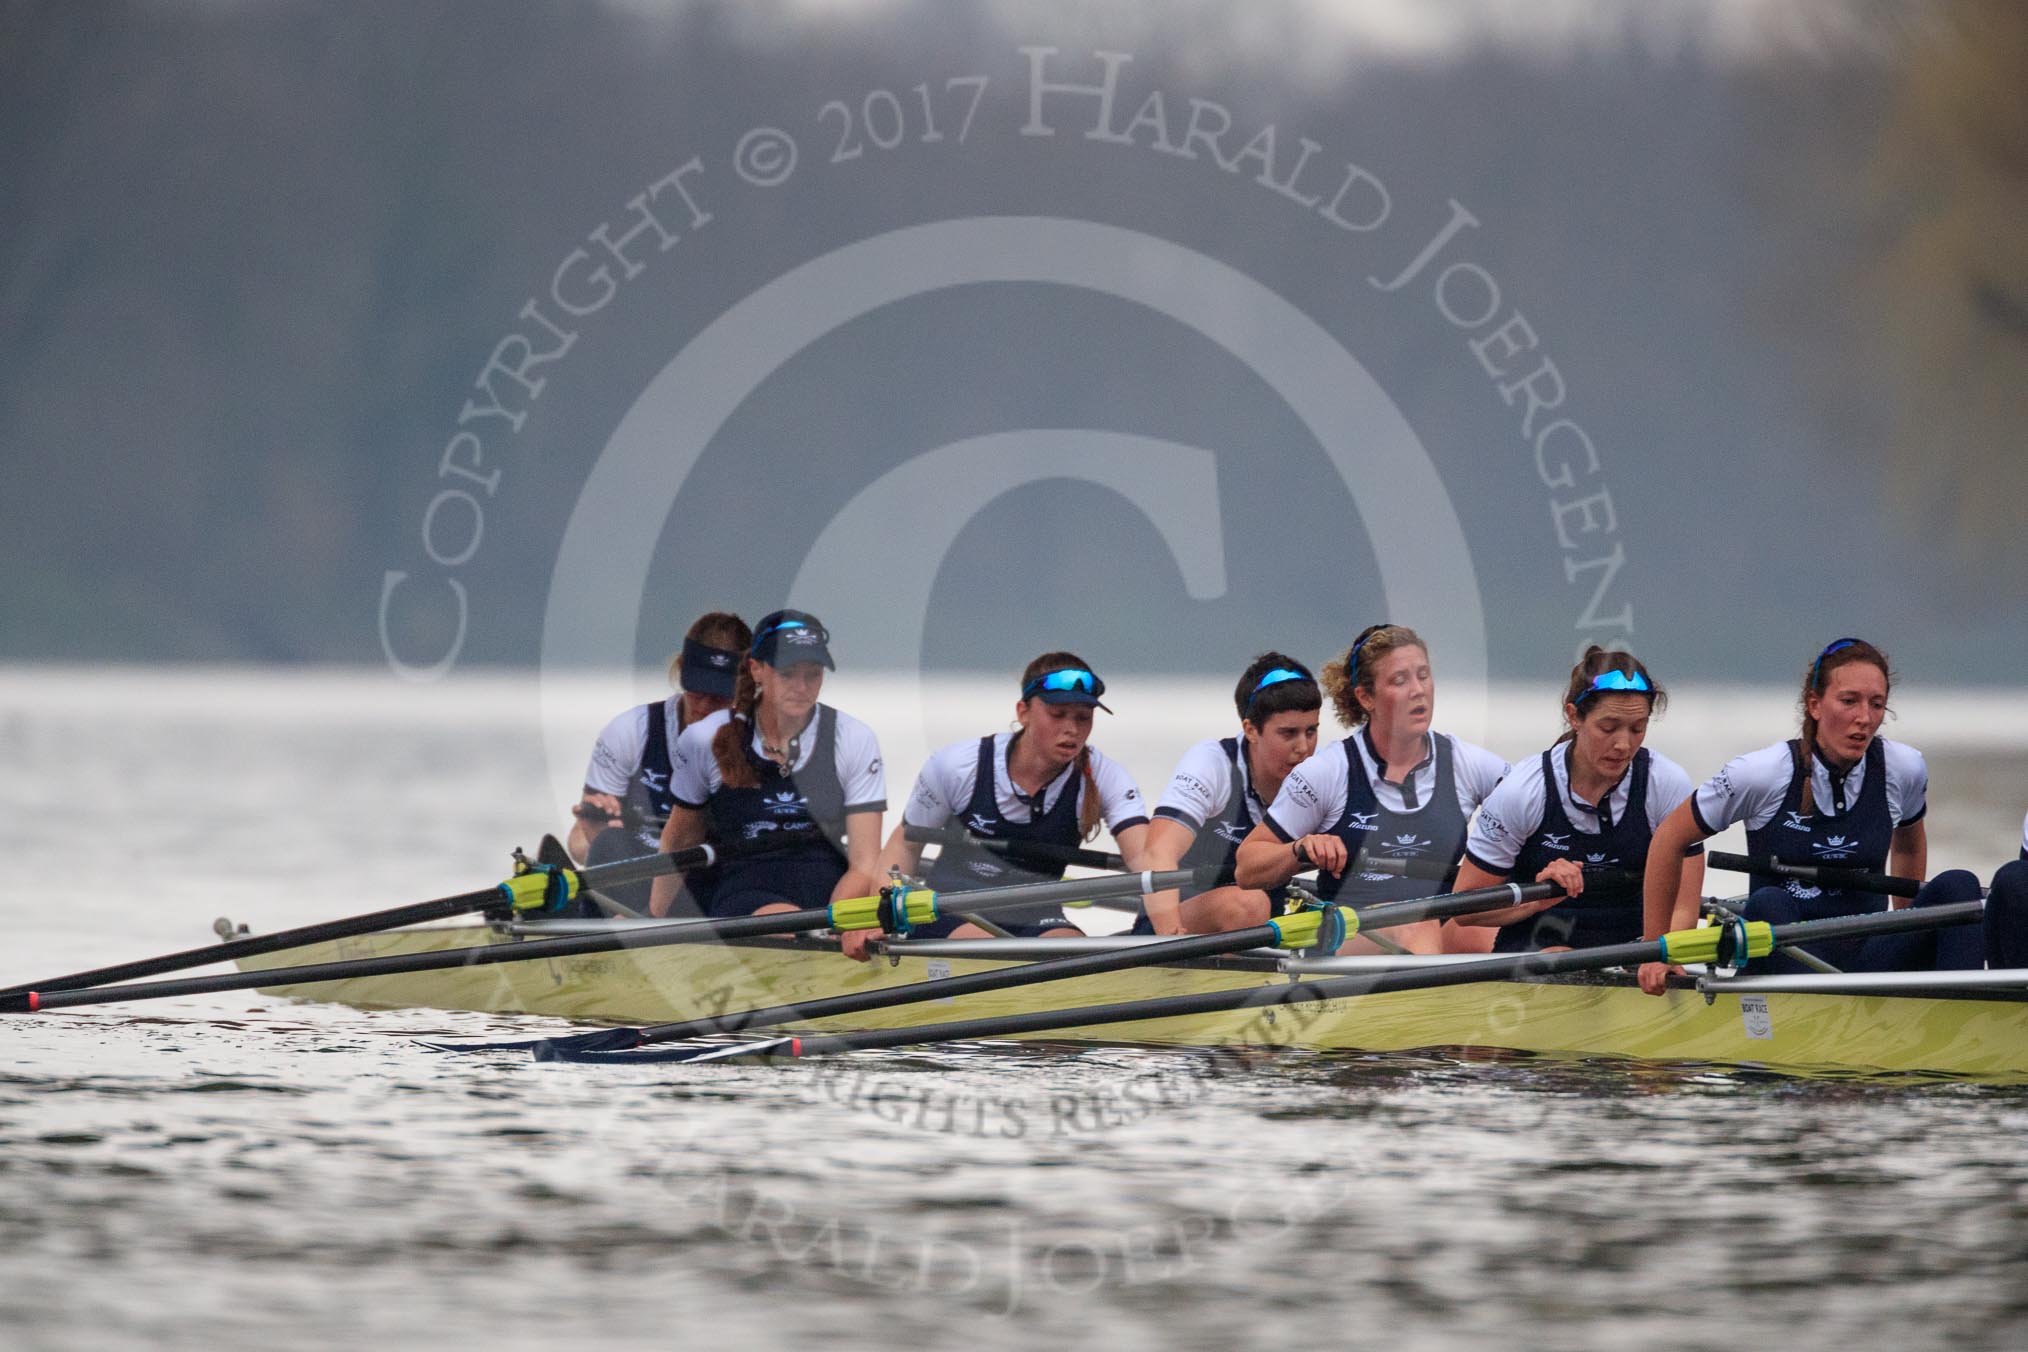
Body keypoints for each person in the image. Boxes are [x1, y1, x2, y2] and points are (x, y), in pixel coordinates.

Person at [1636, 637, 1984, 994]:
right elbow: (1669, 838)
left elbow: (1909, 846)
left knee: (1960, 886)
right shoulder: (1761, 773)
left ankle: (1965, 1013)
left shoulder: (1904, 768)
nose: (1864, 718)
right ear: (1815, 705)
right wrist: (1655, 950)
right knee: (1769, 904)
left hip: (1869, 957)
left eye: (1876, 704)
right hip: (1782, 950)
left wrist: (1909, 925)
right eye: (1849, 701)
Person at [841, 653, 1152, 960]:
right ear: (1024, 712)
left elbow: (1145, 857)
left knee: (1072, 954)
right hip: (948, 909)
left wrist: (1164, 925)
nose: (1071, 729)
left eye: (1083, 717)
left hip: (1037, 915)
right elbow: (905, 846)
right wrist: (878, 920)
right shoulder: (957, 766)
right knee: (994, 952)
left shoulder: (1105, 777)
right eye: (1058, 714)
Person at [1232, 623, 1509, 954]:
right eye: (1400, 680)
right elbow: (1247, 867)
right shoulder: (1327, 772)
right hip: (1351, 929)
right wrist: (1300, 848)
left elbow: (1538, 813)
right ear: (1366, 697)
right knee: (1414, 925)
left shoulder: (1469, 764)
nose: (1418, 690)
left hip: (1435, 925)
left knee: (1492, 936)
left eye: (1423, 675)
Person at [1448, 647, 1703, 951]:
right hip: (1537, 950)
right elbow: (1464, 908)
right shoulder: (1523, 792)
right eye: (1608, 728)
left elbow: (1683, 911)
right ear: (1574, 717)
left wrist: (1656, 958)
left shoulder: (1666, 784)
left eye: (1638, 728)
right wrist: (1536, 898)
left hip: (1635, 952)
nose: (1623, 744)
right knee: (1557, 956)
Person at [647, 610, 885, 918]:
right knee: (782, 922)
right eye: (787, 673)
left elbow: (865, 863)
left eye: (812, 674)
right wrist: (653, 916)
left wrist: (835, 922)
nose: (802, 687)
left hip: (830, 887)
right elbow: (680, 839)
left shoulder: (853, 737)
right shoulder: (704, 738)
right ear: (756, 669)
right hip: (745, 887)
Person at [565, 611, 750, 915]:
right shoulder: (630, 731)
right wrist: (593, 826)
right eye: (696, 691)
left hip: (714, 880)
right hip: (643, 873)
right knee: (608, 843)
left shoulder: (760, 743)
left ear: (746, 687)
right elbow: (582, 847)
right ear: (680, 670)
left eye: (718, 698)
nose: (703, 708)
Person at [1137, 653, 1323, 935]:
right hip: (1175, 929)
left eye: (1311, 731)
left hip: (1260, 937)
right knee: (1248, 904)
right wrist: (1169, 936)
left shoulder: (1323, 777)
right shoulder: (1213, 763)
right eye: (1288, 733)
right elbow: (1157, 852)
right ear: (1250, 729)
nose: (1304, 748)